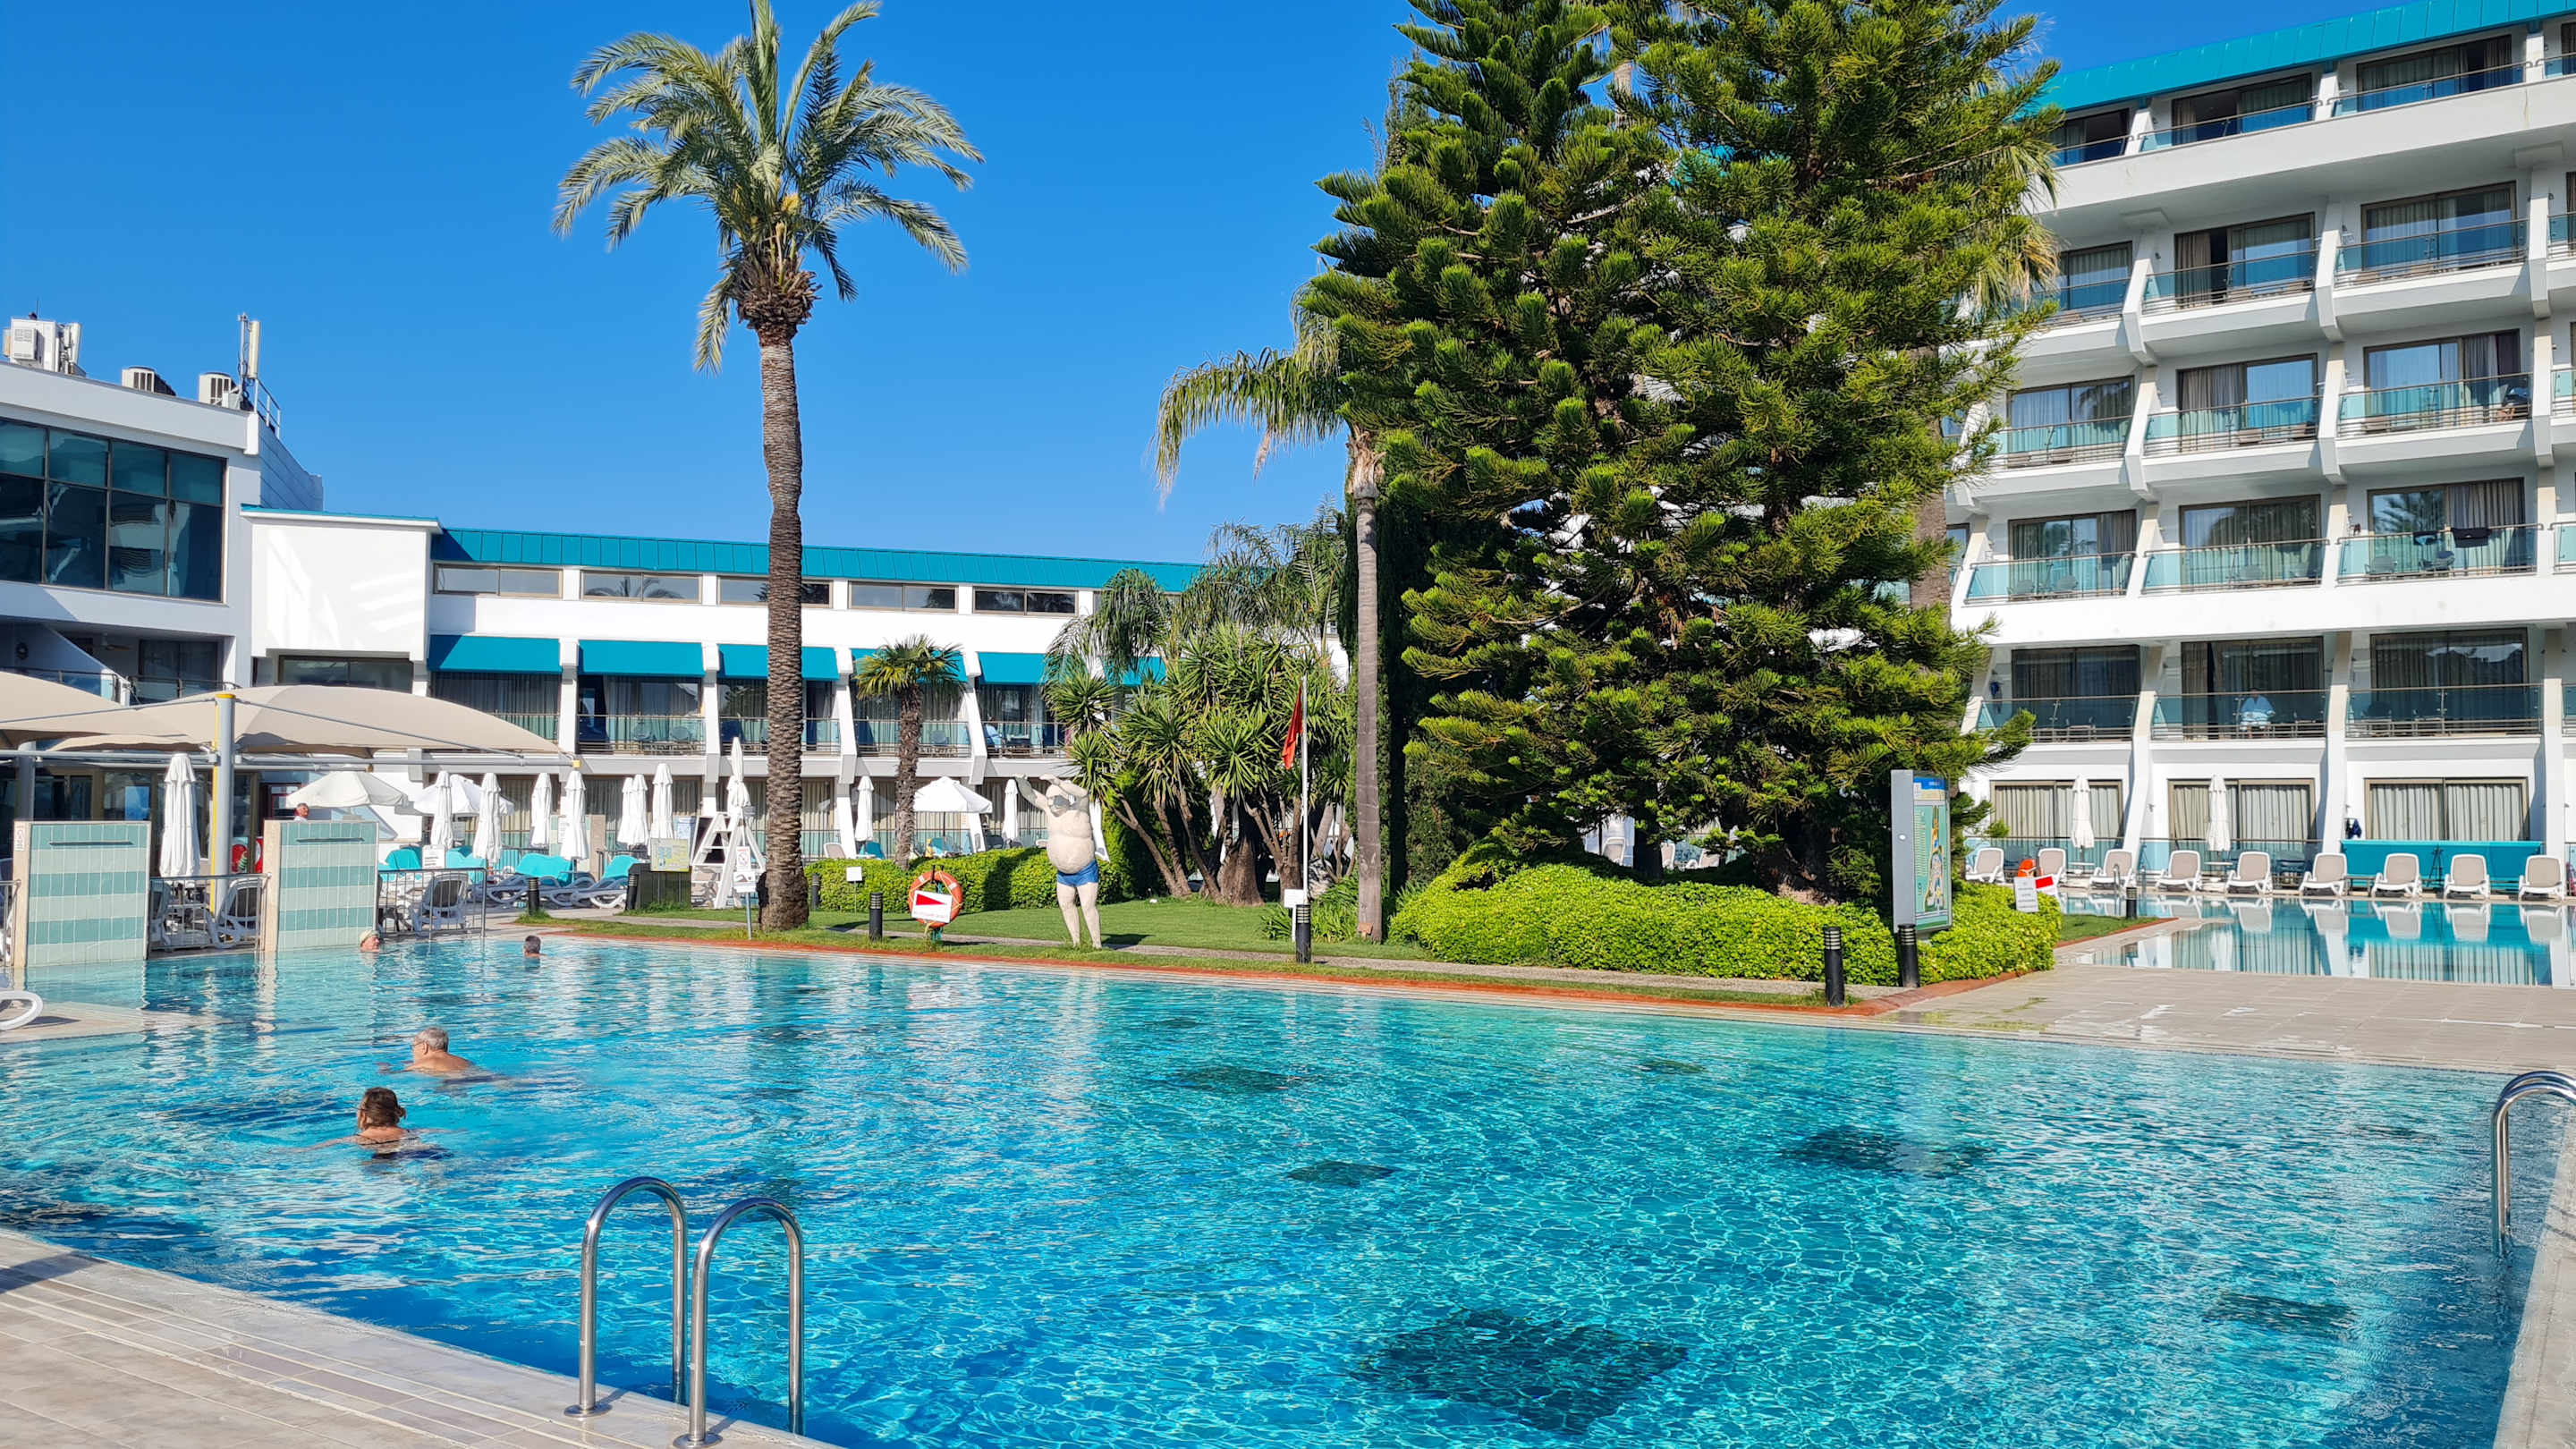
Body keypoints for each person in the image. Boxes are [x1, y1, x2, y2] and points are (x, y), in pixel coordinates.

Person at [405, 1027, 477, 1075]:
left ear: (424, 1046)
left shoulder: (423, 1064)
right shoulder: (466, 1062)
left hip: (451, 1084)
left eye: (414, 1046)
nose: (413, 1051)